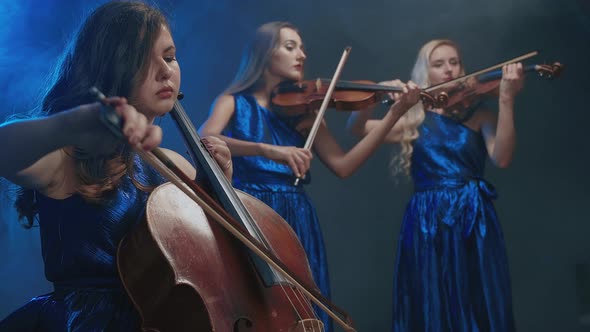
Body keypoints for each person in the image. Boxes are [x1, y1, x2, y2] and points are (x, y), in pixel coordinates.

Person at [0, 2, 232, 331]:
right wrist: (72, 124)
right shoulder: (68, 160)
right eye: (143, 59)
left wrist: (221, 189)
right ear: (110, 67)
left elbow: (213, 267)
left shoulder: (176, 167)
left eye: (169, 56)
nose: (166, 71)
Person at [199, 21, 421, 331]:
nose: (301, 54)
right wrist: (268, 150)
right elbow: (206, 138)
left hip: (296, 218)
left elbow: (344, 165)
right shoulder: (233, 102)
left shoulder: (304, 111)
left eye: (302, 48)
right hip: (250, 211)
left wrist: (394, 114)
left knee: (302, 309)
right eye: (290, 47)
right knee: (252, 302)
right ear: (264, 55)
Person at [348, 39, 525, 331]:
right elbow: (356, 129)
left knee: (476, 293)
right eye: (438, 64)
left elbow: (502, 158)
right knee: (431, 294)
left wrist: (507, 99)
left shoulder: (479, 114)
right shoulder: (414, 118)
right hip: (427, 218)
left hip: (472, 214)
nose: (448, 69)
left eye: (453, 62)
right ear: (425, 72)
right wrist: (375, 94)